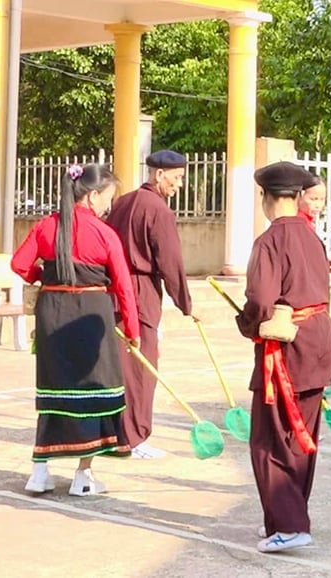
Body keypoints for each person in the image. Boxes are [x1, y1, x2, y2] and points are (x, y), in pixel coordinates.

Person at [11, 164, 140, 496]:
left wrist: (44, 278)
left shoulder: (46, 226)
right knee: (94, 393)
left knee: (54, 392)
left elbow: (19, 264)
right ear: (93, 195)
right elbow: (124, 285)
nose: (108, 207)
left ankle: (39, 473)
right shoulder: (104, 233)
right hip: (91, 316)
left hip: (52, 315)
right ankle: (83, 476)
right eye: (107, 199)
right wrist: (133, 327)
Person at [237, 161, 331, 553]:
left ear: (265, 198)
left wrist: (247, 324)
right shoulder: (313, 237)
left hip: (286, 347)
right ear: (297, 197)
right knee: (302, 437)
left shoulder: (269, 241)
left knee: (270, 439)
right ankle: (283, 518)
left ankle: (292, 525)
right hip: (318, 342)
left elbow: (261, 300)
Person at [106, 149, 197, 459]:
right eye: (177, 178)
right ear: (159, 175)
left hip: (114, 289)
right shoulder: (158, 210)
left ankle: (117, 434)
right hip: (140, 291)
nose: (179, 185)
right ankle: (135, 436)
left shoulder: (121, 202)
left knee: (120, 366)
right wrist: (186, 303)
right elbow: (170, 262)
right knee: (142, 366)